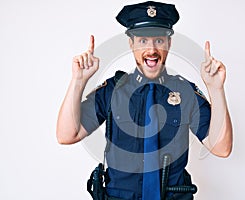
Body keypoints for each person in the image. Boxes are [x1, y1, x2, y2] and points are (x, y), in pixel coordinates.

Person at [56, 1, 233, 200]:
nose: (151, 50)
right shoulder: (113, 90)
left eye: (158, 40)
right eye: (142, 41)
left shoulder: (185, 92)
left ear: (169, 43)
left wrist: (216, 89)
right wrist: (78, 81)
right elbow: (66, 135)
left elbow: (221, 147)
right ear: (131, 44)